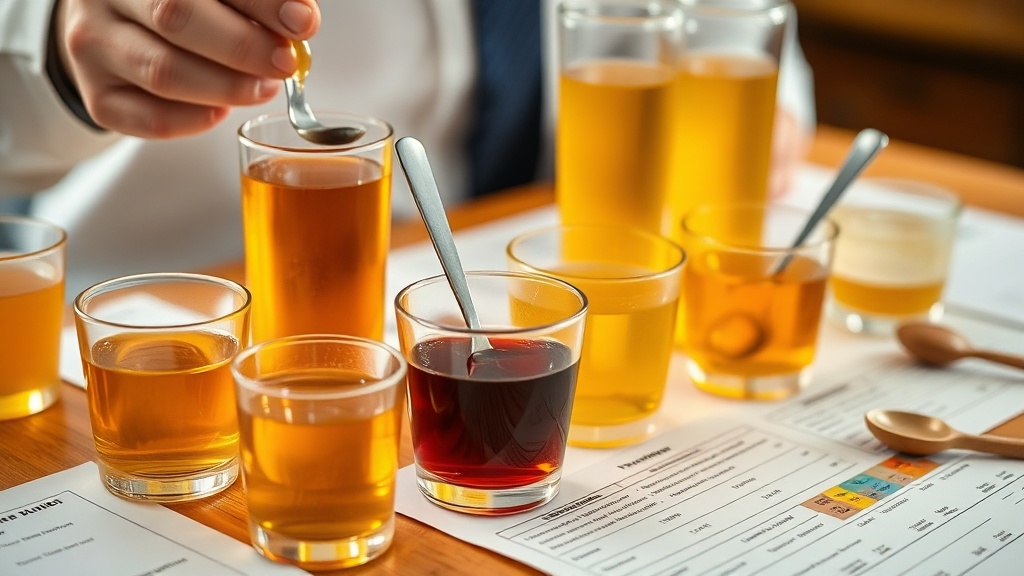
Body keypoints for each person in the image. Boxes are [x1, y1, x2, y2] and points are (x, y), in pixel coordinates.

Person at [0, 0, 814, 299]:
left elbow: (737, 23)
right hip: (158, 312)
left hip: (518, 287)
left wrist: (759, 93)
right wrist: (49, 41)